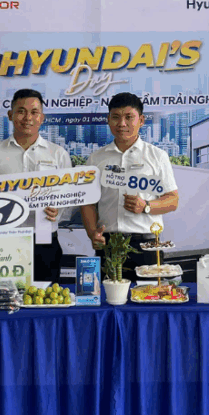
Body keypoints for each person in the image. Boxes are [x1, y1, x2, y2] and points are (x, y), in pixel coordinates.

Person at [0, 88, 70, 283]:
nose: (27, 118)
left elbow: (70, 197)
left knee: (47, 296)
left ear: (42, 117)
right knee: (5, 296)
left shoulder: (58, 154)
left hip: (44, 241)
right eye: (21, 111)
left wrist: (59, 211)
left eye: (34, 112)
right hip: (4, 241)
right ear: (10, 115)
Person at [81, 93, 180, 281]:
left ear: (141, 120)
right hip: (108, 246)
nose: (122, 123)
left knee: (148, 296)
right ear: (108, 120)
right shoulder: (95, 159)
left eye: (129, 117)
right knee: (108, 297)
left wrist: (146, 206)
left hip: (146, 246)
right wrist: (92, 233)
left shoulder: (157, 156)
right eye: (116, 117)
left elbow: (173, 200)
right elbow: (88, 203)